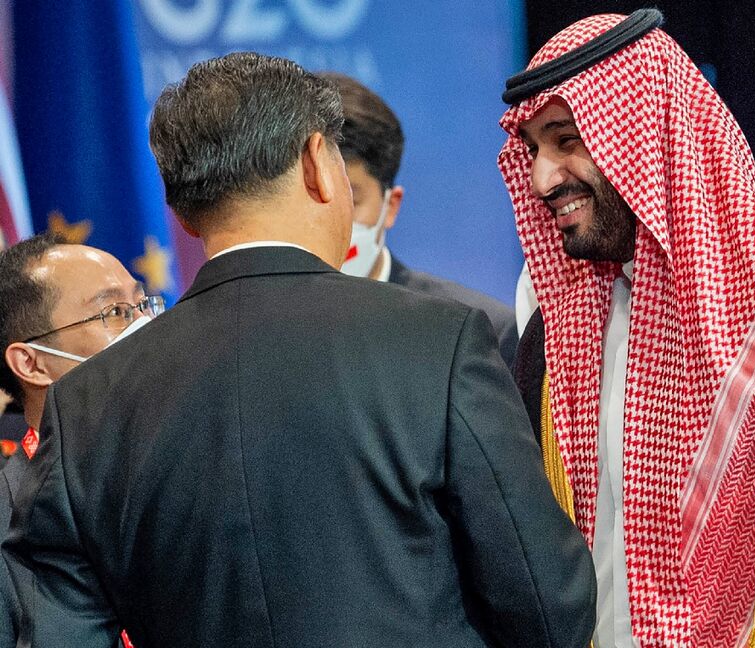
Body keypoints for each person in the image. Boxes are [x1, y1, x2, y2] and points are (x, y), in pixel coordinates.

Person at [4, 53, 595, 647]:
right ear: (318, 163)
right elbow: (548, 610)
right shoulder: (440, 343)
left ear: (181, 215)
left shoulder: (83, 402)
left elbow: (59, 633)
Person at [499, 8, 755, 648]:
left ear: (642, 132)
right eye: (532, 149)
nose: (541, 180)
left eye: (565, 140)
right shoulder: (553, 332)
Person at [0, 233, 161, 648]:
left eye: (144, 304)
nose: (146, 326)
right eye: (115, 312)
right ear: (31, 363)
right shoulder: (7, 520)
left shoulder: (187, 469)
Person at [321, 73, 519, 368]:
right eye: (315, 201)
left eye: (351, 202)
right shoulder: (260, 327)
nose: (331, 224)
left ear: (391, 206)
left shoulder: (480, 333)